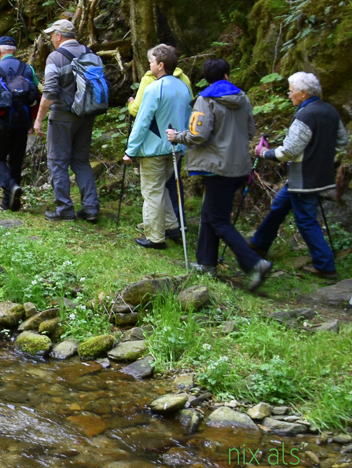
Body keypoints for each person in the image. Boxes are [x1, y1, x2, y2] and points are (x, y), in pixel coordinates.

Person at [166, 57, 271, 289]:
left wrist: (177, 136)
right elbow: (251, 130)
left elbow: (198, 135)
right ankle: (206, 263)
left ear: (207, 78)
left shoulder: (206, 100)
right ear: (227, 75)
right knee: (210, 213)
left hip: (216, 168)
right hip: (239, 167)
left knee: (217, 218)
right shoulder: (242, 98)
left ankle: (255, 263)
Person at [250, 71, 349, 280]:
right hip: (317, 175)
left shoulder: (305, 115)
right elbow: (342, 142)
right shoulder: (330, 110)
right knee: (279, 205)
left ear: (303, 93)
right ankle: (259, 244)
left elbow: (289, 152)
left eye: (291, 91)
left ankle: (325, 265)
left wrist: (263, 153)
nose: (289, 95)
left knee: (305, 220)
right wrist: (321, 153)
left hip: (304, 178)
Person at [123, 44, 191, 249]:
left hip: (153, 150)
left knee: (152, 192)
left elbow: (142, 122)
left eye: (151, 62)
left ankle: (154, 237)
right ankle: (171, 225)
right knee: (161, 188)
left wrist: (130, 150)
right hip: (175, 147)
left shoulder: (154, 88)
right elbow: (187, 118)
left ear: (160, 65)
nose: (149, 65)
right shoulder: (184, 87)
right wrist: (183, 145)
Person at [34, 19, 100, 222]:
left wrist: (38, 120)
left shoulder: (56, 57)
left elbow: (50, 92)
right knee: (80, 160)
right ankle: (91, 208)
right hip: (87, 114)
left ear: (59, 36)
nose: (51, 39)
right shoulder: (91, 55)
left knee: (57, 161)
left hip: (63, 115)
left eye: (52, 35)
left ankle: (64, 209)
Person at [0, 36, 39, 210]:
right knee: (16, 161)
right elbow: (37, 94)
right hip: (22, 121)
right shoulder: (28, 69)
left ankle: (10, 187)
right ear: (15, 51)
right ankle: (11, 204)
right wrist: (33, 120)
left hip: (0, 121)